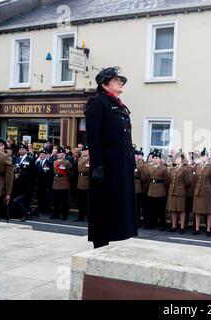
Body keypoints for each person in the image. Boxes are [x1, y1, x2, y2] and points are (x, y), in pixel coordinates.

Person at [85, 66, 138, 249]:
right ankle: (100, 244)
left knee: (118, 205)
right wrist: (98, 166)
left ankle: (112, 239)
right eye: (116, 80)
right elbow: (93, 137)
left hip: (120, 165)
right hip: (107, 165)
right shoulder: (97, 103)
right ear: (105, 85)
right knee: (103, 205)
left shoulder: (120, 105)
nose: (120, 82)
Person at [192, 148, 211, 236]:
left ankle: (208, 229)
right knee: (197, 211)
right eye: (202, 156)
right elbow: (195, 179)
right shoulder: (197, 167)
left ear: (208, 158)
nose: (204, 158)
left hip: (207, 192)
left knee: (208, 211)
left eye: (205, 156)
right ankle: (197, 228)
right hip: (198, 191)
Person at [146, 149, 170, 230]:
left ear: (160, 159)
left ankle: (162, 225)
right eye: (154, 158)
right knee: (151, 208)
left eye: (157, 158)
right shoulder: (150, 167)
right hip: (152, 189)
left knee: (161, 209)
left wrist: (163, 187)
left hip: (160, 189)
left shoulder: (163, 168)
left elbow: (167, 180)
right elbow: (147, 178)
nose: (155, 159)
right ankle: (150, 224)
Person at [167, 151, 190, 234]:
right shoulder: (173, 169)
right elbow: (170, 180)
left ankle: (182, 227)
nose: (177, 160)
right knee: (173, 210)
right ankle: (174, 226)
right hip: (172, 191)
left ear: (182, 160)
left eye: (179, 158)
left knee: (181, 210)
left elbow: (188, 182)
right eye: (176, 158)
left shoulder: (185, 169)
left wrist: (182, 188)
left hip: (180, 192)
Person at [12, 144, 35, 221]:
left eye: (23, 149)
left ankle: (25, 214)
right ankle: (19, 214)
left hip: (27, 183)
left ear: (26, 150)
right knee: (16, 198)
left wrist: (21, 172)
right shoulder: (16, 158)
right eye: (20, 149)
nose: (21, 151)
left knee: (24, 200)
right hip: (18, 183)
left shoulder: (30, 159)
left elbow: (32, 173)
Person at [51, 147, 73, 220]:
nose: (58, 154)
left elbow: (70, 172)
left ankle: (64, 215)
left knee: (64, 201)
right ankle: (55, 214)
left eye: (60, 153)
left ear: (63, 154)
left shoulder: (67, 162)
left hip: (64, 182)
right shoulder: (54, 162)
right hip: (56, 182)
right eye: (58, 153)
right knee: (56, 201)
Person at [34, 149, 53, 215]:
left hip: (46, 182)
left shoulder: (49, 163)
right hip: (39, 182)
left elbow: (50, 174)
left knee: (46, 196)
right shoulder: (38, 163)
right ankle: (40, 208)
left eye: (43, 154)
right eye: (40, 154)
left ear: (46, 155)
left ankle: (46, 209)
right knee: (40, 196)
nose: (41, 156)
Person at [76, 146, 90, 222]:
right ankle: (80, 216)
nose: (84, 152)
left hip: (87, 181)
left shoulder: (90, 159)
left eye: (86, 150)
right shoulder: (79, 159)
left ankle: (88, 217)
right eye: (83, 151)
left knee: (88, 201)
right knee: (80, 201)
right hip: (80, 181)